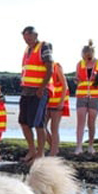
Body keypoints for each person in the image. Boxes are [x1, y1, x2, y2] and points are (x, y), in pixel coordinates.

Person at [19, 26, 54, 162]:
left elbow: (49, 67)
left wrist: (42, 87)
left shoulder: (44, 46)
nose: (27, 39)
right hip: (26, 90)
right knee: (23, 122)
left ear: (35, 35)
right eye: (24, 37)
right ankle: (32, 150)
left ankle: (40, 154)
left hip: (39, 90)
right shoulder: (27, 50)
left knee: (39, 123)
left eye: (29, 36)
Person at [74, 40, 98, 155]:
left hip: (95, 95)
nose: (87, 59)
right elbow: (77, 78)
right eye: (85, 56)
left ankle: (90, 145)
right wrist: (77, 80)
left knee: (91, 121)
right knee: (80, 121)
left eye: (88, 57)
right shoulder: (80, 64)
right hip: (82, 95)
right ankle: (78, 146)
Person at [45, 61, 69, 156]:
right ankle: (53, 147)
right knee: (41, 125)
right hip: (47, 102)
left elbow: (65, 85)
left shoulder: (56, 66)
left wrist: (62, 101)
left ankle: (54, 151)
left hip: (57, 101)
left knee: (54, 127)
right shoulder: (41, 67)